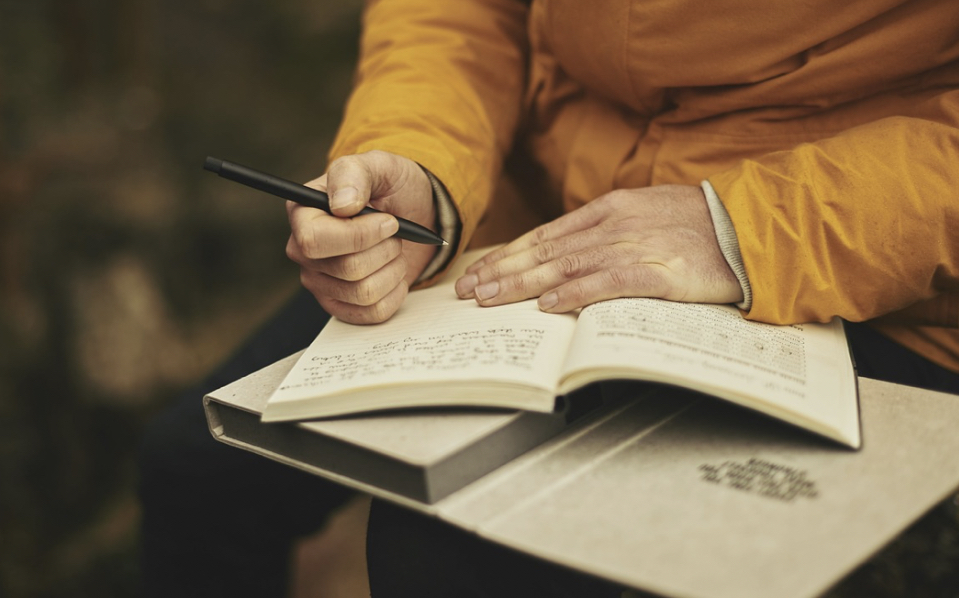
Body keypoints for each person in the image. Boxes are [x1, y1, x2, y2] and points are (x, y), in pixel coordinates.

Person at [139, 0, 959, 596]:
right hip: (532, 223)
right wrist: (424, 162)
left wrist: (747, 226)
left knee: (449, 556)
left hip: (864, 280)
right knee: (200, 467)